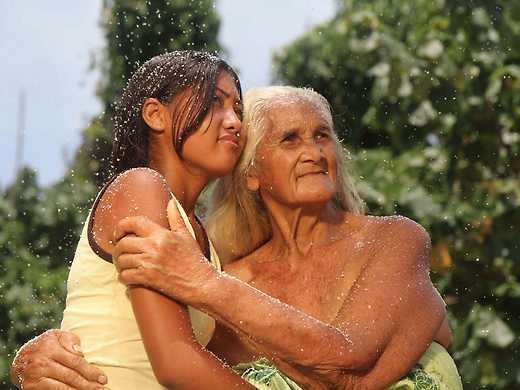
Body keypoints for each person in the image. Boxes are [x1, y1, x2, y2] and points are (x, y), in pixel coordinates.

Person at [11, 85, 462, 389]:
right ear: (251, 173)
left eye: (322, 136)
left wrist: (203, 283)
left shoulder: (392, 240)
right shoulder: (227, 275)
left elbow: (347, 364)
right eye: (290, 139)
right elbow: (152, 353)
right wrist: (38, 358)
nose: (313, 152)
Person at [11, 50, 253, 389]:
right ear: (156, 114)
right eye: (215, 101)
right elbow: (175, 362)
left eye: (238, 109)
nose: (234, 122)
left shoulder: (202, 238)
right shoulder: (140, 187)